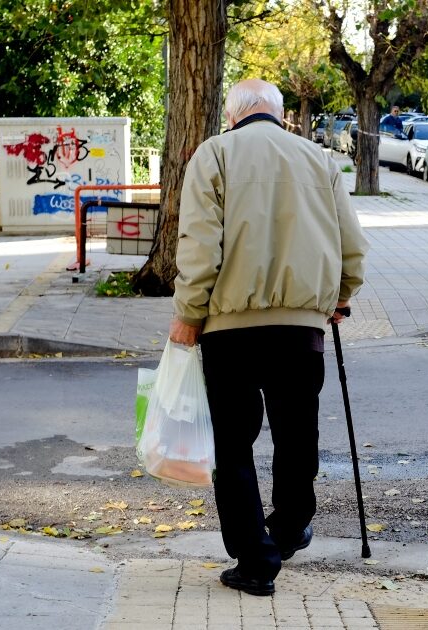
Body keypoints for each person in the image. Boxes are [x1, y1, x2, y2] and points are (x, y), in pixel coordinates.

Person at [169, 78, 368, 597]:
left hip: (229, 330)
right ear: (281, 115)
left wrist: (189, 314)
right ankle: (289, 526)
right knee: (296, 434)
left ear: (232, 115)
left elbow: (198, 245)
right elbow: (351, 241)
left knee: (231, 446)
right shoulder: (320, 160)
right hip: (301, 329)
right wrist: (341, 296)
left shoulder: (213, 156)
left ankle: (256, 562)